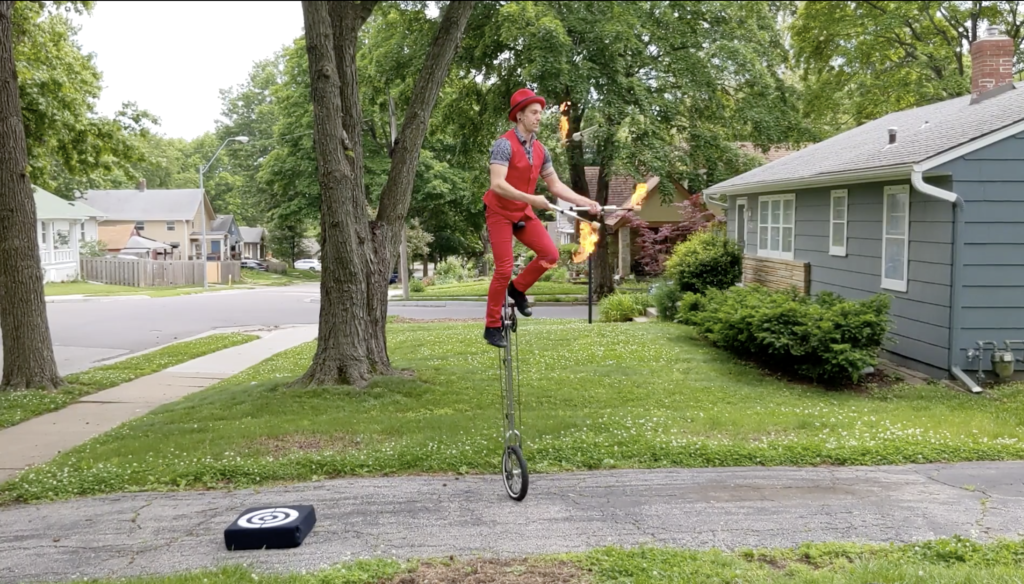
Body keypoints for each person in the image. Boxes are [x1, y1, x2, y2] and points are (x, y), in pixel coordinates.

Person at [482, 88, 601, 348]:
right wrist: (532, 199)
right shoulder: (503, 145)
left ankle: (517, 289)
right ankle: (491, 326)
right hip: (500, 211)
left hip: (521, 212)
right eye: (534, 113)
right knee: (504, 267)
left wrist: (586, 202)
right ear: (520, 116)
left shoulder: (541, 150)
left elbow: (556, 186)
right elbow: (497, 185)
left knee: (550, 255)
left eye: (540, 113)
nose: (539, 117)